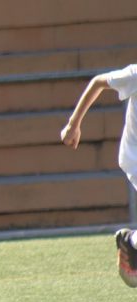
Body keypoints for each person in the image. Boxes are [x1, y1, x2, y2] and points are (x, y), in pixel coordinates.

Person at [61, 64, 137, 287]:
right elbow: (98, 82)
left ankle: (132, 243)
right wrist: (73, 125)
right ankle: (130, 241)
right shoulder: (135, 74)